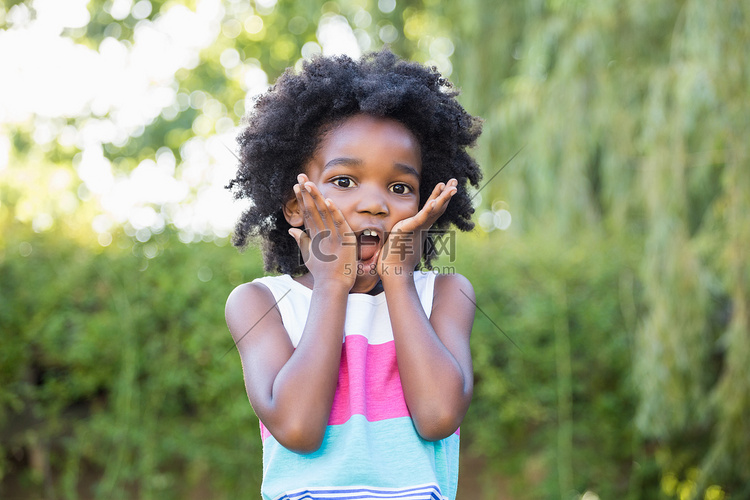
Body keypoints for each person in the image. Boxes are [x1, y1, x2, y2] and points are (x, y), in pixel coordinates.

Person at [225, 48, 482, 500]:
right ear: (295, 205)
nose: (375, 204)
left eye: (400, 187)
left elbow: (439, 415)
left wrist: (399, 279)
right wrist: (330, 286)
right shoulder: (260, 303)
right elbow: (299, 428)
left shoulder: (444, 294)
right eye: (344, 181)